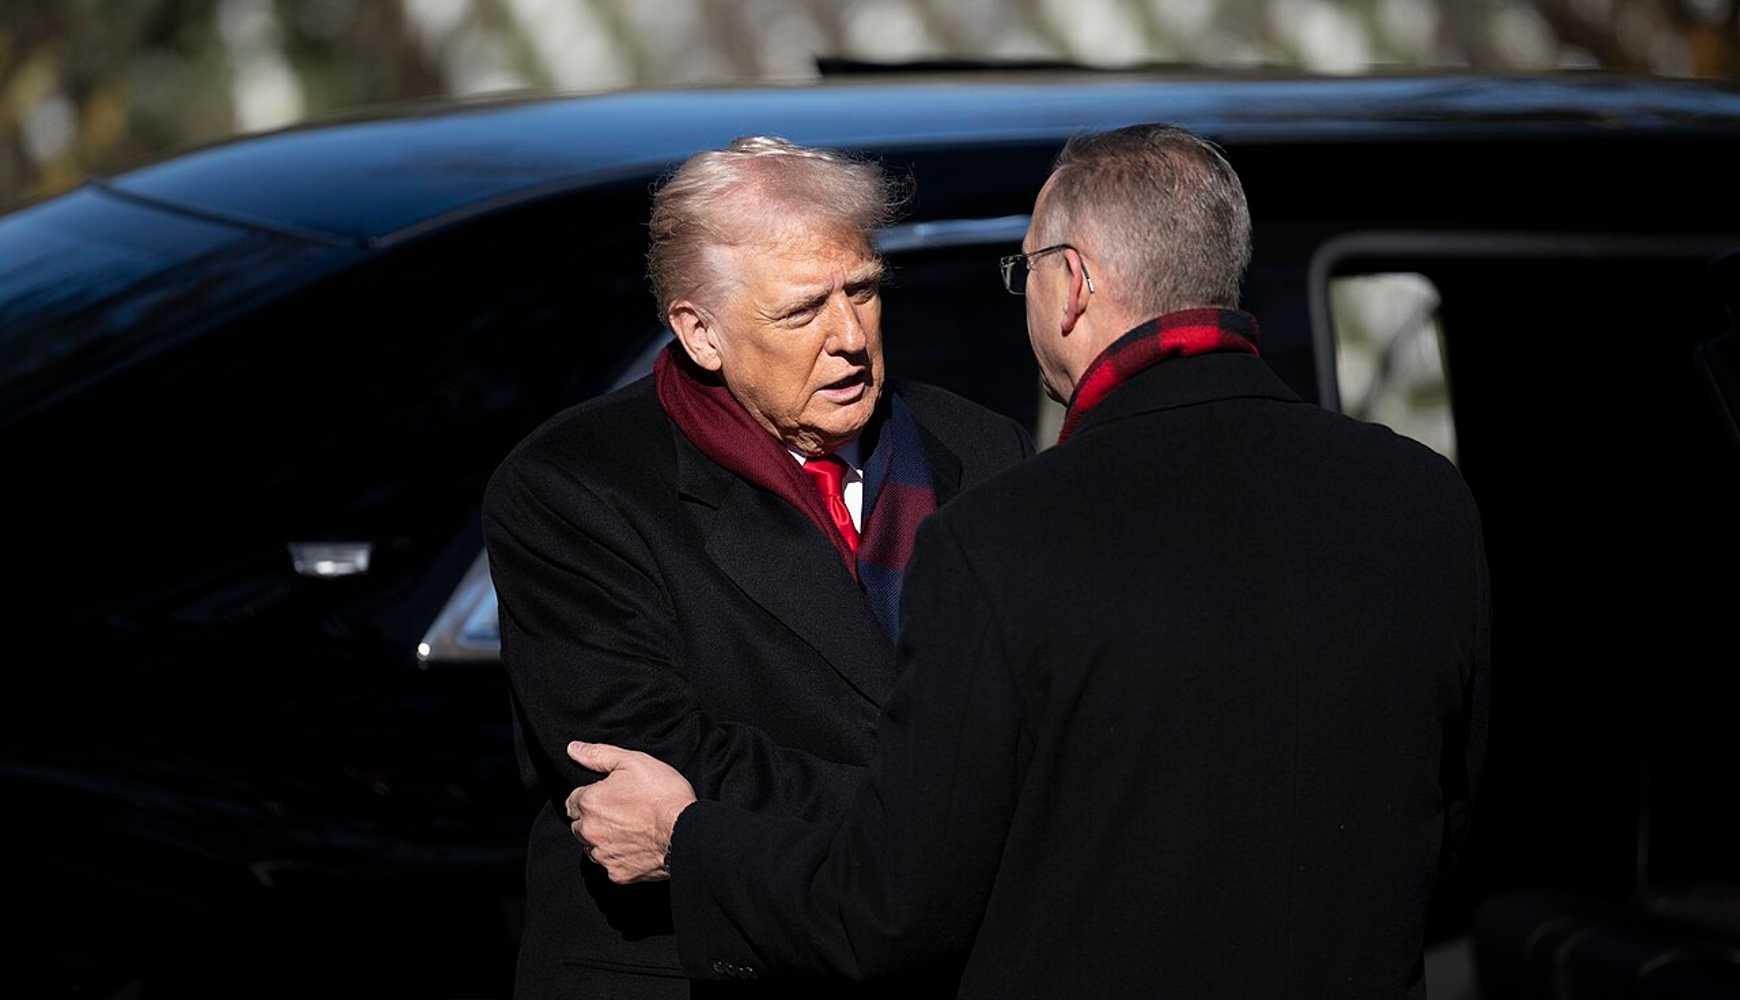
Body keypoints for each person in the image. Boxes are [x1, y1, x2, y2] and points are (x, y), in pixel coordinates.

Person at [565, 124, 1491, 999]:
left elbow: (896, 904)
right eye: (806, 308)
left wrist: (691, 843)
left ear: (1073, 285)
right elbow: (1445, 823)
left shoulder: (1001, 530)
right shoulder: (1425, 499)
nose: (850, 335)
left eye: (1027, 273)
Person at [481, 136, 1033, 999]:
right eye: (802, 311)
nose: (849, 337)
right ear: (701, 333)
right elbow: (654, 761)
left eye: (863, 291)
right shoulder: (575, 490)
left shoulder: (980, 450)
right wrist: (950, 816)